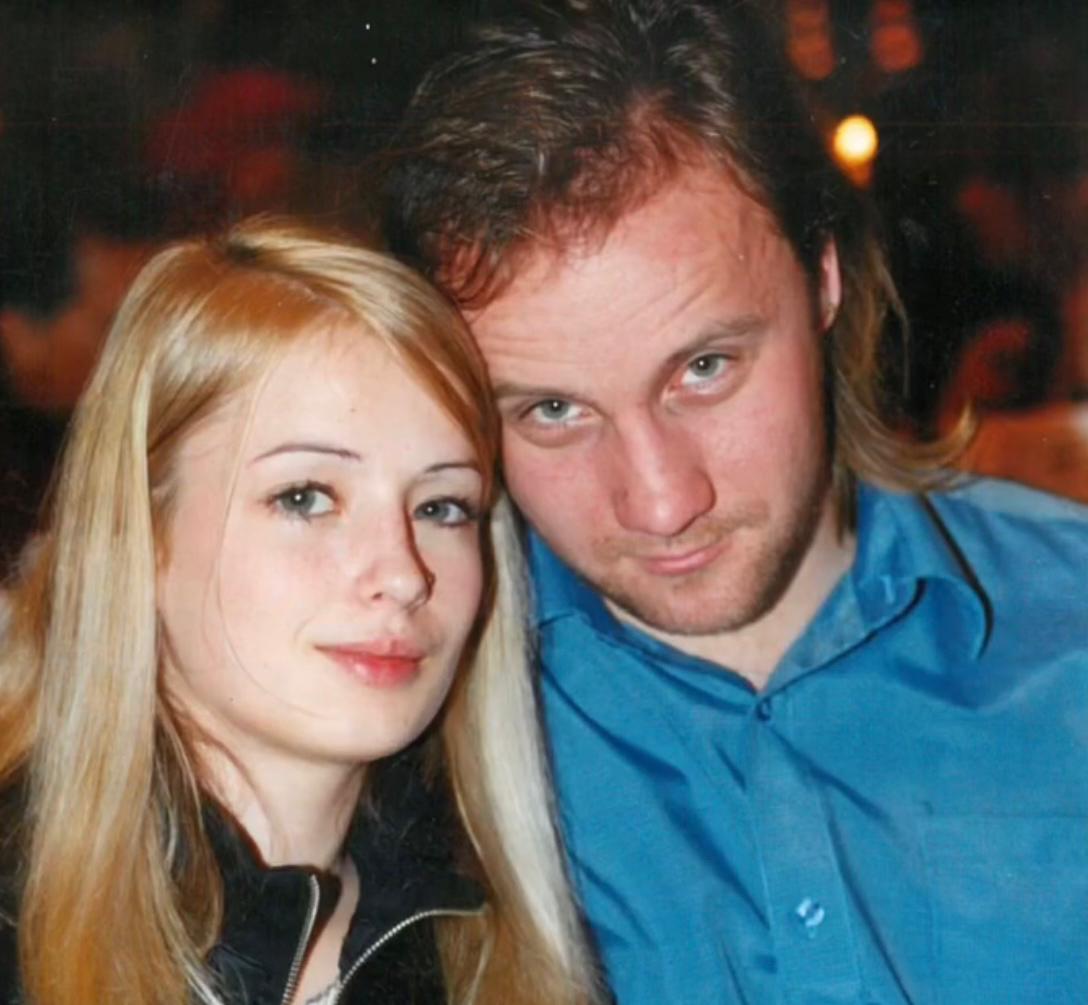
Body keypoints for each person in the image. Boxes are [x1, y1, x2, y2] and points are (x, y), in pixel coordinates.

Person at [381, 1, 1088, 1002]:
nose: (661, 502)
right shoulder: (407, 738)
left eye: (704, 368)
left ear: (823, 277)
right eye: (552, 411)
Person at [0, 218, 600, 1004]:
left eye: (442, 506)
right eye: (306, 497)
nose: (402, 574)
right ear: (142, 533)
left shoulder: (500, 954)